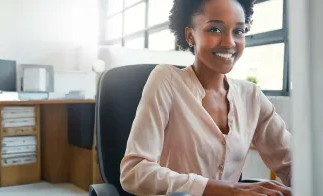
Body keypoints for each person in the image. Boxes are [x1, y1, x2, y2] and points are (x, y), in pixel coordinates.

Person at [119, 0, 292, 195]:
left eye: (238, 31)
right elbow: (133, 173)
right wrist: (230, 190)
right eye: (215, 30)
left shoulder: (251, 96)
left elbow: (292, 161)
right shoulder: (166, 80)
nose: (229, 42)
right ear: (190, 35)